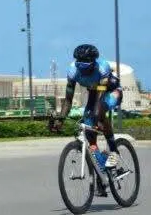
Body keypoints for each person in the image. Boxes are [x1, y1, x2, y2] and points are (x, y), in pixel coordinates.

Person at [52, 44, 122, 173]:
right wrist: (60, 119)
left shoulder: (102, 68)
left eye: (86, 64)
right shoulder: (72, 71)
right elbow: (68, 100)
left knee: (98, 114)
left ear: (93, 62)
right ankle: (102, 171)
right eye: (79, 63)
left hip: (110, 91)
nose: (82, 67)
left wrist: (98, 119)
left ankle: (114, 151)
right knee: (88, 128)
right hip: (94, 93)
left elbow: (100, 99)